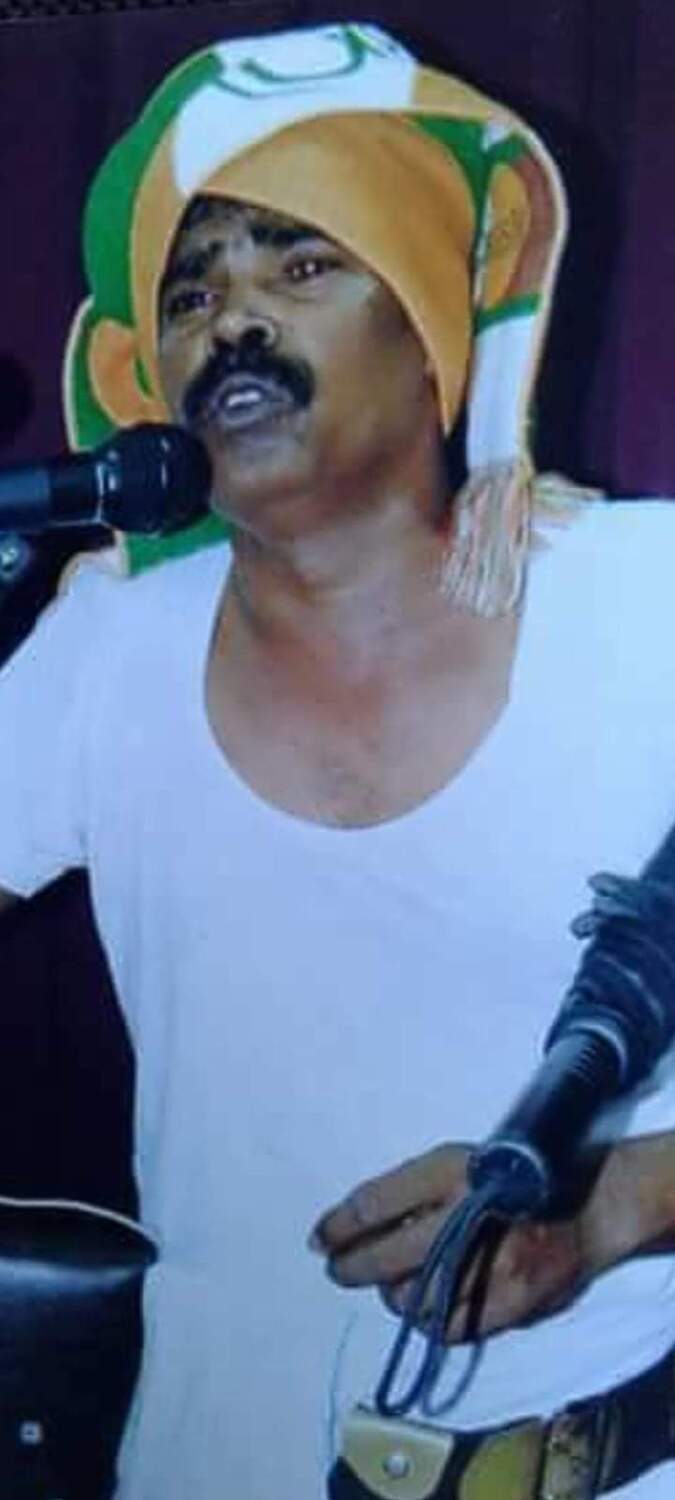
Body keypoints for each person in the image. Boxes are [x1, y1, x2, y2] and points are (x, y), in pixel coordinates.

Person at [2, 18, 675, 1499]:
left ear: (433, 317)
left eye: (300, 264)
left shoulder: (652, 601)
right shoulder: (105, 654)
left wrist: (613, 1205)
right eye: (191, 292)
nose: (231, 323)